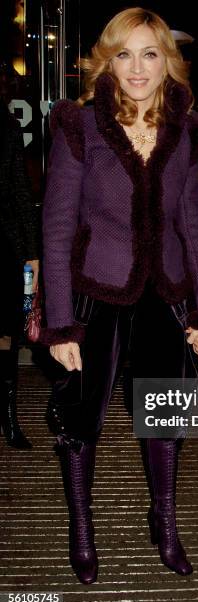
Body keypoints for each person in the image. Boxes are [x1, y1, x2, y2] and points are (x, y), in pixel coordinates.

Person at [39, 7, 198, 584]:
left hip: (164, 292)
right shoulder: (80, 124)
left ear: (167, 61)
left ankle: (164, 525)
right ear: (108, 60)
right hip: (95, 290)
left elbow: (193, 222)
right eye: (125, 53)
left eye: (150, 53)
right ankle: (82, 528)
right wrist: (61, 324)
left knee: (165, 416)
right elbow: (58, 226)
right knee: (82, 417)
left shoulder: (187, 127)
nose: (137, 67)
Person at [0, 63, 39, 449]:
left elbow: (21, 194)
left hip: (3, 248)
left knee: (7, 336)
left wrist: (32, 256)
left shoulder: (7, 128)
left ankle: (7, 414)